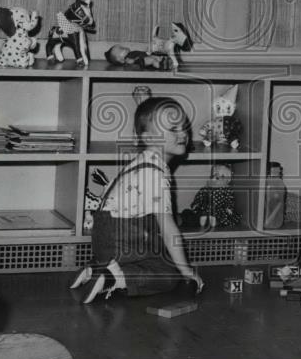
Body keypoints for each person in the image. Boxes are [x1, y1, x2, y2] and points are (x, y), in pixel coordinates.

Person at [71, 96, 205, 302]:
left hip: (104, 240)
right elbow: (167, 227)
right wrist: (186, 271)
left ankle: (96, 269)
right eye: (173, 129)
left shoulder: (141, 162)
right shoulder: (156, 174)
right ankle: (113, 277)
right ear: (148, 138)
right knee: (169, 272)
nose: (183, 134)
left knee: (156, 251)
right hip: (121, 239)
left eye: (184, 127)